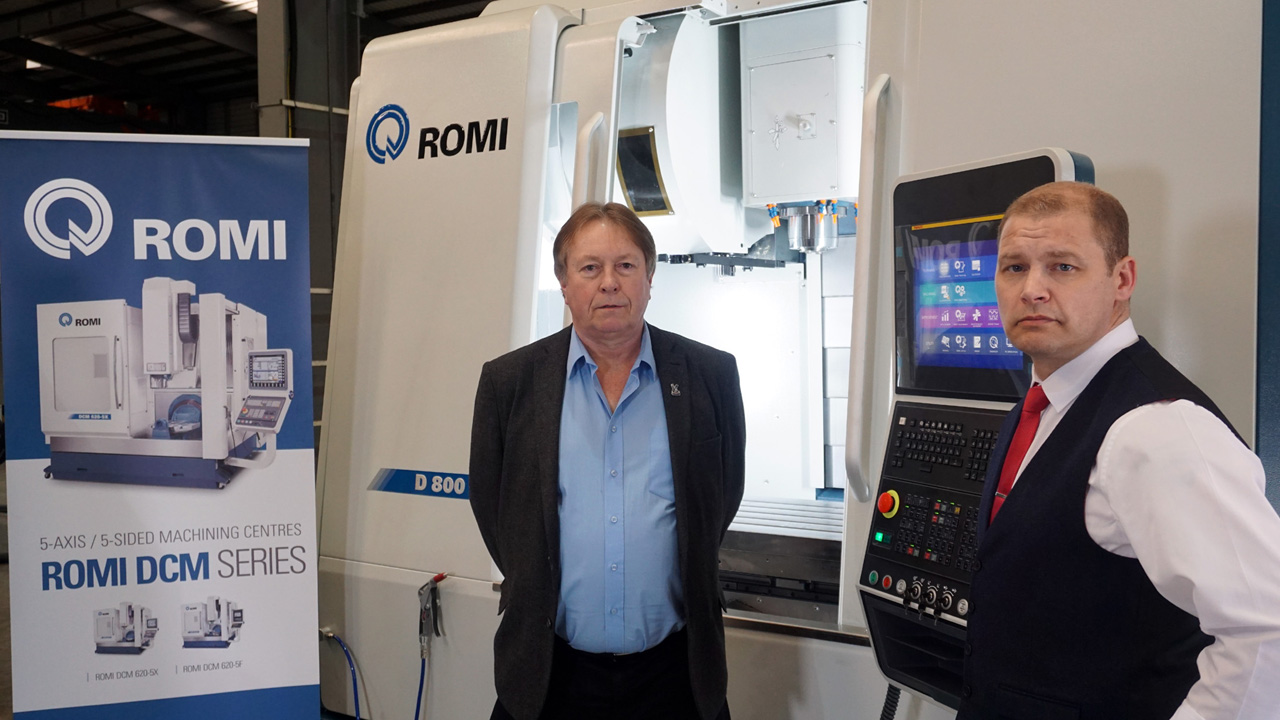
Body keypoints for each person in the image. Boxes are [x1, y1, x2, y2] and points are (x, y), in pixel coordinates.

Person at [959, 181, 1280, 719]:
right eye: (1014, 267)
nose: (1032, 289)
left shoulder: (1157, 428)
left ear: (1122, 279)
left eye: (1062, 266)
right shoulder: (1040, 406)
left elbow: (1267, 630)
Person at [469, 202, 745, 720]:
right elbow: (491, 503)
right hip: (550, 673)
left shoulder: (710, 374)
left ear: (649, 277)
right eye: (590, 267)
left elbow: (723, 496)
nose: (610, 283)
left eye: (626, 265)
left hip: (677, 673)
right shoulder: (510, 382)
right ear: (564, 282)